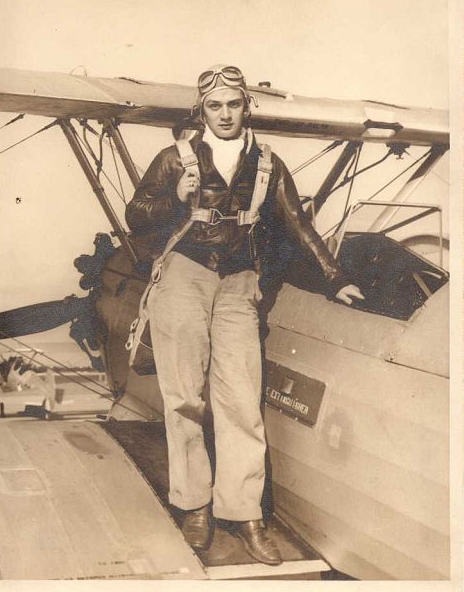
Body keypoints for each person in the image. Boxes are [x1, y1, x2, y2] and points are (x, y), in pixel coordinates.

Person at [126, 65, 364, 566]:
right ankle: (194, 504)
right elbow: (137, 213)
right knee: (184, 397)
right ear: (201, 111)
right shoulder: (174, 159)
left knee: (240, 399)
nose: (225, 114)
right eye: (215, 106)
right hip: (185, 275)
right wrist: (175, 198)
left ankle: (244, 512)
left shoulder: (268, 164)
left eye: (233, 104)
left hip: (238, 282)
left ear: (246, 107)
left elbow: (297, 223)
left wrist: (335, 278)